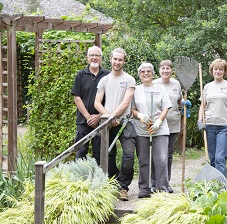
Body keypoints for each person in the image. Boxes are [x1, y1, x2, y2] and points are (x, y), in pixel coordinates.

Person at [94, 48, 136, 201]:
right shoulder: (104, 80)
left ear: (124, 61)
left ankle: (123, 186)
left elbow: (126, 102)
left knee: (129, 156)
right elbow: (97, 103)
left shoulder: (129, 80)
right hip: (108, 123)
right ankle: (114, 185)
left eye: (120, 59)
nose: (117, 62)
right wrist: (110, 119)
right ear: (110, 59)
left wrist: (114, 117)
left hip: (125, 123)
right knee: (107, 156)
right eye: (115, 59)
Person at [131, 62, 172, 198]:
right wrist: (140, 115)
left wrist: (159, 121)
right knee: (143, 159)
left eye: (148, 71)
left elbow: (166, 107)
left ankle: (162, 189)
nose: (146, 73)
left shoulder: (160, 88)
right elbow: (131, 109)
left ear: (153, 73)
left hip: (159, 130)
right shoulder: (136, 90)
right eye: (143, 71)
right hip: (142, 129)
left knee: (161, 159)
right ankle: (144, 188)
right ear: (139, 75)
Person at [197, 58, 227, 178]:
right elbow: (203, 105)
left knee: (220, 157)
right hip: (209, 126)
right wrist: (200, 120)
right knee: (213, 158)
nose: (218, 71)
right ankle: (214, 184)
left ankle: (222, 186)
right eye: (216, 69)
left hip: (224, 127)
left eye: (221, 69)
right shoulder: (207, 87)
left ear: (224, 71)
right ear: (212, 70)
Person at [153, 60, 188, 193]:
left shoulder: (176, 84)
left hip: (173, 123)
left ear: (171, 70)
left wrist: (184, 103)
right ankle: (155, 182)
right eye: (163, 68)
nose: (165, 71)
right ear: (159, 70)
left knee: (168, 154)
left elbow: (178, 101)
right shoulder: (155, 83)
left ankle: (166, 183)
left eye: (168, 68)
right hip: (159, 124)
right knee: (158, 154)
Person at [71, 46, 110, 164]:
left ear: (101, 58)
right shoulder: (81, 75)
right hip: (83, 121)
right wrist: (88, 117)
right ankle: (80, 180)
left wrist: (99, 116)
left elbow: (111, 99)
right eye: (91, 55)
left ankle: (98, 180)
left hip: (101, 121)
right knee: (81, 152)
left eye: (97, 55)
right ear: (87, 58)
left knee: (99, 154)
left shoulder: (107, 75)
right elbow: (77, 97)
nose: (94, 58)